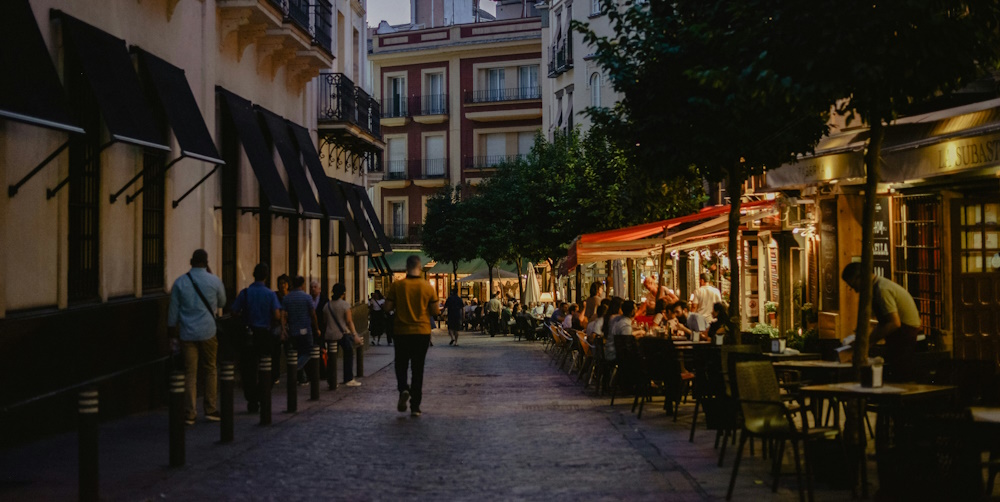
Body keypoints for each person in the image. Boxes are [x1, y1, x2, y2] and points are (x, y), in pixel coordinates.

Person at [167, 249, 226, 425]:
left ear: (191, 261)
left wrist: (171, 334)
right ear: (206, 262)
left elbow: (172, 312)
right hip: (208, 331)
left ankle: (190, 412)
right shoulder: (214, 281)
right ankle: (210, 408)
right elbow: (222, 303)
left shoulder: (180, 282)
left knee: (190, 372)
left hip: (187, 333)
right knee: (210, 368)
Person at [842, 263, 922, 381]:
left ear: (861, 277)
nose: (855, 290)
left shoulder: (882, 289)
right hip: (901, 339)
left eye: (853, 285)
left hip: (905, 339)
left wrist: (868, 341)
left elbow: (894, 323)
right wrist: (867, 342)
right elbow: (884, 323)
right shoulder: (878, 287)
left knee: (899, 381)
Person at [385, 255, 440, 417]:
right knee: (418, 368)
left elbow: (387, 308)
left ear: (406, 267)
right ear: (420, 267)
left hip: (401, 332)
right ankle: (415, 406)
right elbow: (436, 311)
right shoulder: (428, 287)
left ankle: (403, 388)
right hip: (422, 332)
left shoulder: (397, 286)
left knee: (400, 364)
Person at [230, 263, 282, 413]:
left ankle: (252, 398)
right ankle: (262, 392)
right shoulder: (270, 294)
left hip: (248, 335)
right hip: (264, 334)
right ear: (266, 276)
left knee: (249, 368)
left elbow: (234, 311)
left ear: (253, 275)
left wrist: (244, 315)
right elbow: (277, 315)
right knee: (268, 366)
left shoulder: (245, 293)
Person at [282, 276, 319, 385]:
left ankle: (300, 377)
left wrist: (284, 330)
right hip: (306, 329)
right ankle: (296, 367)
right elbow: (313, 314)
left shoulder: (287, 298)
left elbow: (283, 315)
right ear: (302, 285)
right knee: (308, 351)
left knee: (296, 352)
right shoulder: (307, 297)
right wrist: (317, 328)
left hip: (293, 330)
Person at [323, 283, 362, 387]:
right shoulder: (345, 305)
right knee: (348, 355)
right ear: (343, 294)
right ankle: (348, 378)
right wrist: (355, 334)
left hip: (330, 335)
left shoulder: (327, 305)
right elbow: (349, 321)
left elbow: (325, 321)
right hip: (342, 334)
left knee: (332, 358)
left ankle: (332, 380)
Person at [271, 274, 291, 383]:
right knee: (275, 353)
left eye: (284, 283)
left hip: (288, 328)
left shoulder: (290, 297)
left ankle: (295, 374)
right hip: (276, 327)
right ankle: (275, 375)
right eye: (280, 283)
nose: (282, 285)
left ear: (288, 285)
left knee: (290, 352)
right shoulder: (275, 296)